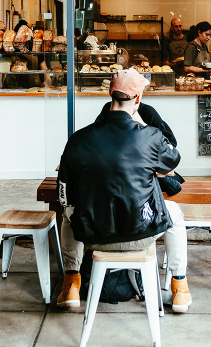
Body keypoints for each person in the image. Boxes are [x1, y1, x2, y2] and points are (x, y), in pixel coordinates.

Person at [57, 69, 191, 313]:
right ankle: (179, 287)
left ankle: (71, 283)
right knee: (176, 215)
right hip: (141, 232)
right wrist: (140, 123)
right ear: (138, 99)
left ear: (109, 95)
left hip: (94, 236)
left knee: (68, 213)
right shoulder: (150, 136)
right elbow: (173, 160)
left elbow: (64, 195)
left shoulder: (78, 139)